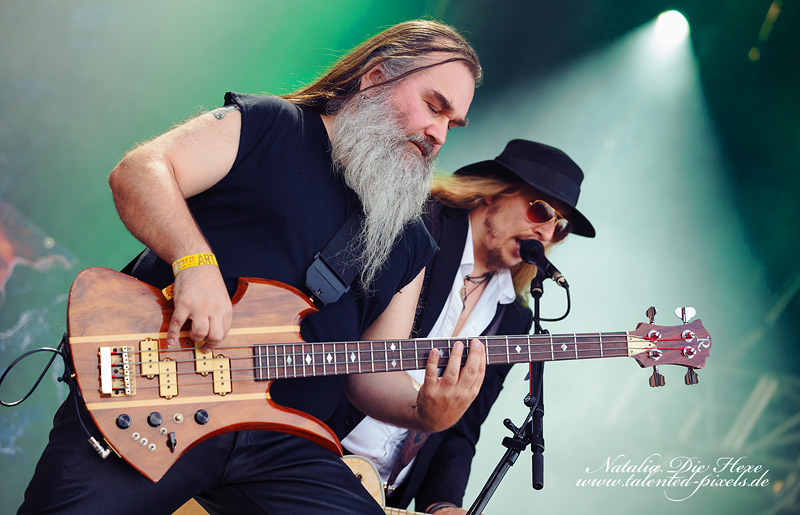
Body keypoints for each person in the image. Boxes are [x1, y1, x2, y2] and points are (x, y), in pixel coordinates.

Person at [19, 20, 487, 514]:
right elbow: (139, 172)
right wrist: (194, 264)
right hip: (157, 397)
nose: (437, 133)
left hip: (282, 443)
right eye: (434, 106)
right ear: (374, 78)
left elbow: (370, 373)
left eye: (451, 124)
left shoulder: (410, 238)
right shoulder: (271, 126)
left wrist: (425, 413)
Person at [328, 139, 596, 514]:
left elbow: (461, 429)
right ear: (492, 193)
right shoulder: (419, 229)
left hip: (384, 494)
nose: (548, 234)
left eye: (561, 227)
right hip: (317, 450)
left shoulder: (514, 319)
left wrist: (443, 503)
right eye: (541, 211)